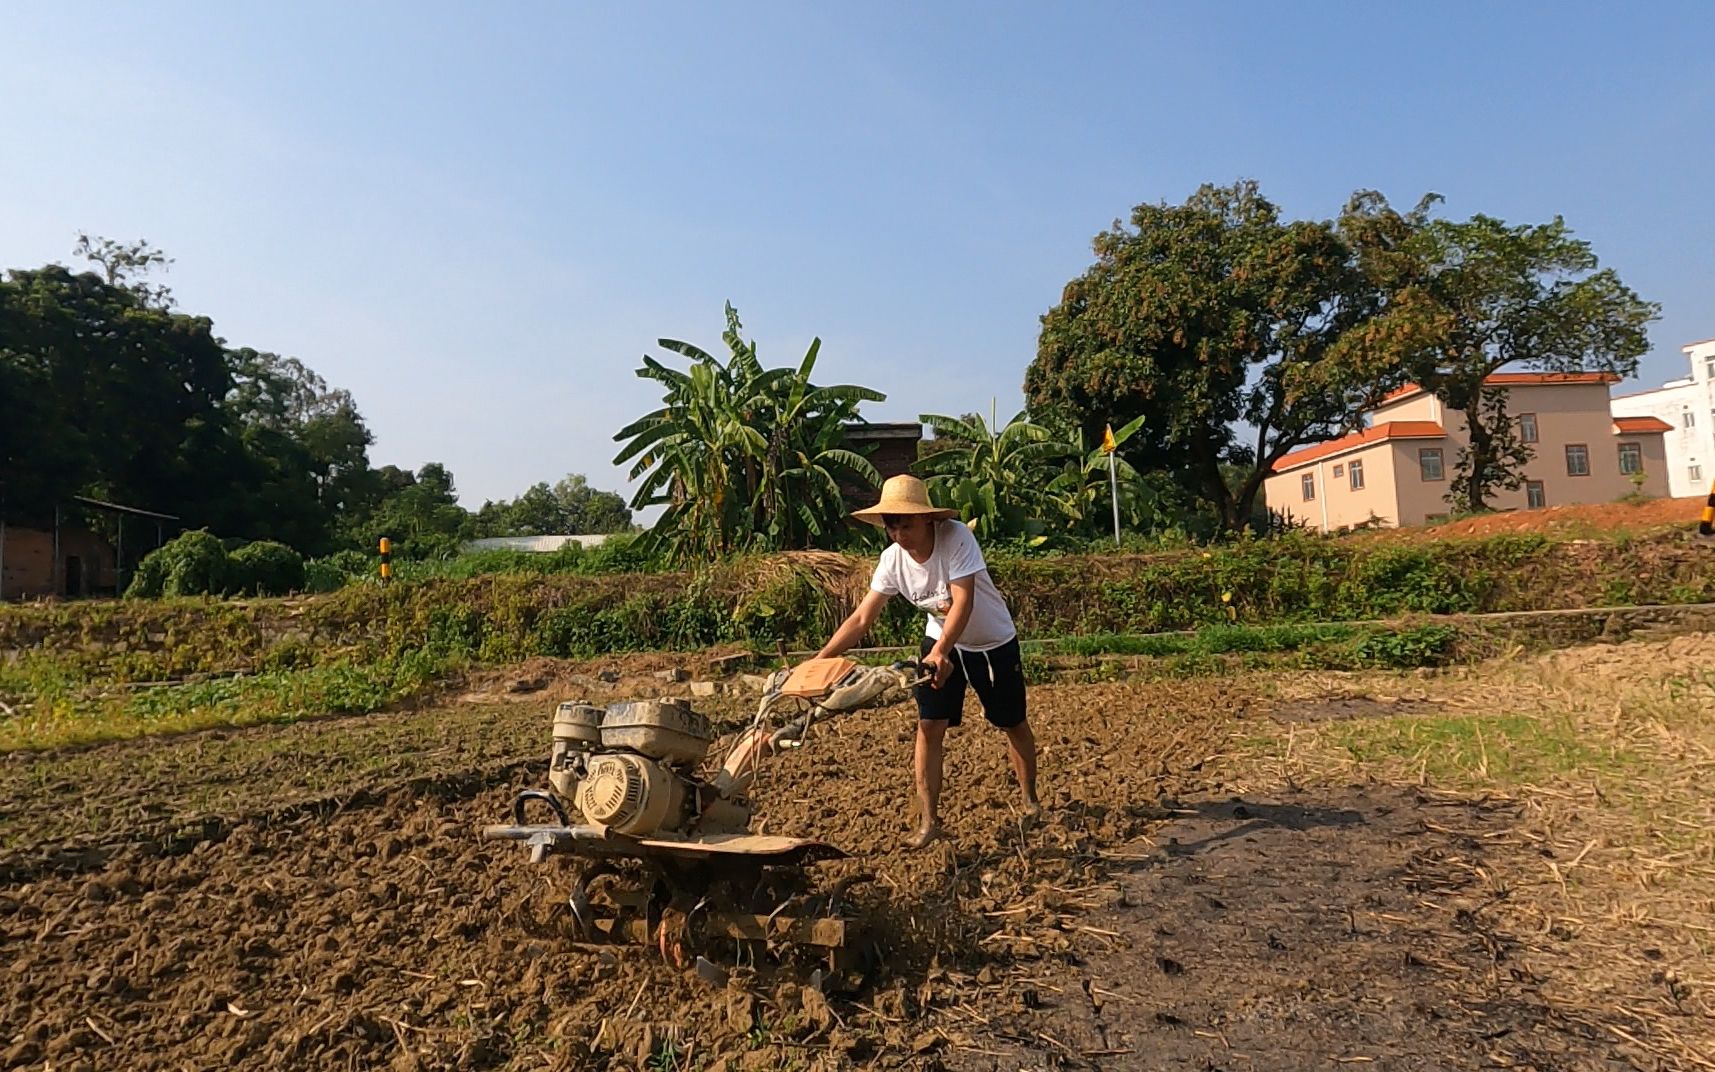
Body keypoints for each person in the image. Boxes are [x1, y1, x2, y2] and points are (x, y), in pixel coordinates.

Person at [815, 474, 1040, 850]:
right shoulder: (891, 561)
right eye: (891, 524)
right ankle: (929, 821)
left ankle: (1030, 800)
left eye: (906, 522)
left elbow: (962, 601)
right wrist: (821, 660)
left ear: (928, 519)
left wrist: (941, 652)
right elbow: (861, 619)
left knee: (1011, 722)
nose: (899, 532)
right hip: (939, 639)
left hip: (990, 642)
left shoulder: (956, 538)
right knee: (928, 726)